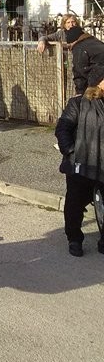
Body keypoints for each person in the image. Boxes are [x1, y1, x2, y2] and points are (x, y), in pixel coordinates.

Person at [53, 63, 104, 257]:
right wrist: (71, 151)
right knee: (75, 204)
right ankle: (74, 238)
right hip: (81, 163)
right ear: (98, 82)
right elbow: (63, 129)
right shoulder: (79, 104)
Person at [40, 15, 104, 95]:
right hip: (66, 63)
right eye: (68, 22)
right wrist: (42, 41)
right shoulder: (61, 34)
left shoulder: (81, 33)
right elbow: (46, 37)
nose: (71, 24)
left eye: (73, 22)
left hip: (81, 62)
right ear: (64, 24)